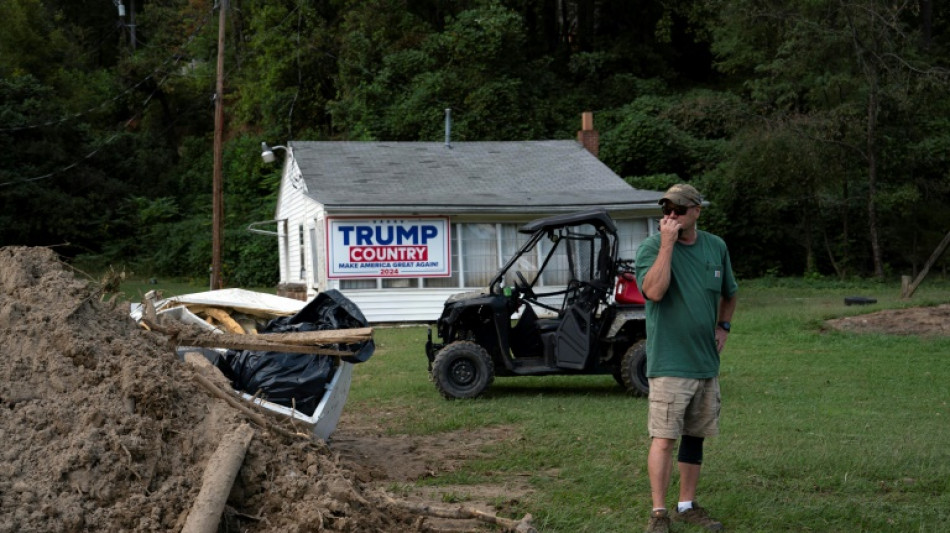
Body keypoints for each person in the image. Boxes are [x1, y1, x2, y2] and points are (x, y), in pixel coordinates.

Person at [634, 184, 738, 533]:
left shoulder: (716, 247)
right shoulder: (652, 247)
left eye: (679, 209)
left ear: (697, 211)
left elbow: (729, 293)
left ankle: (687, 504)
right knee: (664, 437)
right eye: (666, 210)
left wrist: (723, 326)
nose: (671, 216)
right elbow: (654, 291)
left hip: (705, 362)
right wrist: (667, 245)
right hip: (670, 362)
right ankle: (659, 513)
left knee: (695, 436)